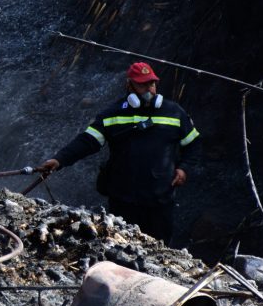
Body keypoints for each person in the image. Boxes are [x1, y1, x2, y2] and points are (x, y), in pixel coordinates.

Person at [38, 62, 201, 243]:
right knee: (123, 245)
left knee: (160, 247)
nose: (149, 89)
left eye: (152, 84)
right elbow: (87, 141)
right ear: (129, 85)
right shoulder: (112, 114)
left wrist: (184, 168)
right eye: (142, 84)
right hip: (124, 200)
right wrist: (59, 160)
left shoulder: (174, 113)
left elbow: (193, 145)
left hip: (160, 200)